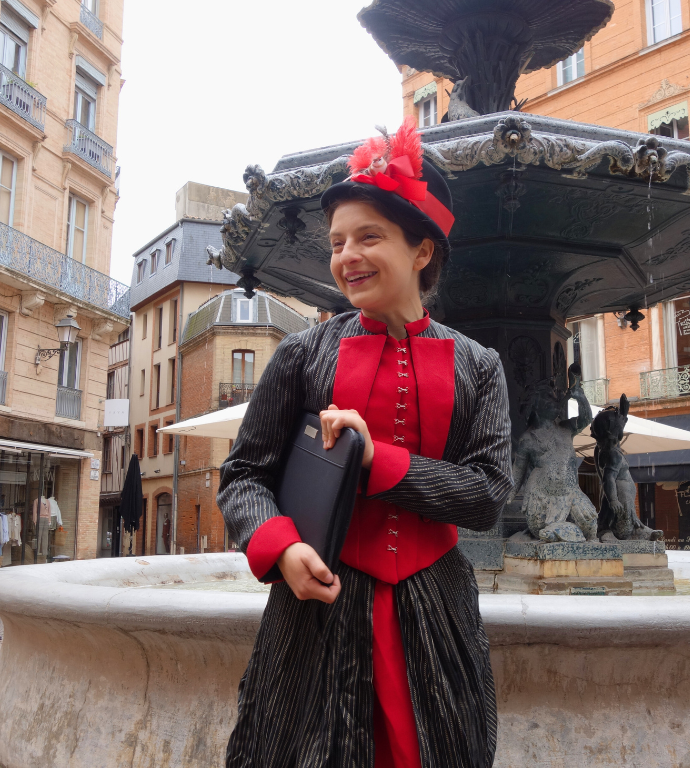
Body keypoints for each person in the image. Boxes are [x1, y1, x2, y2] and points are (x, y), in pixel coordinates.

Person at [218, 118, 513, 768]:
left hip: (434, 614)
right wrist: (281, 547)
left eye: (368, 236)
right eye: (337, 241)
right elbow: (243, 476)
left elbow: (488, 495)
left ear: (422, 250)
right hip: (315, 613)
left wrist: (378, 460)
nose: (346, 255)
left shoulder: (479, 365)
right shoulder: (301, 355)